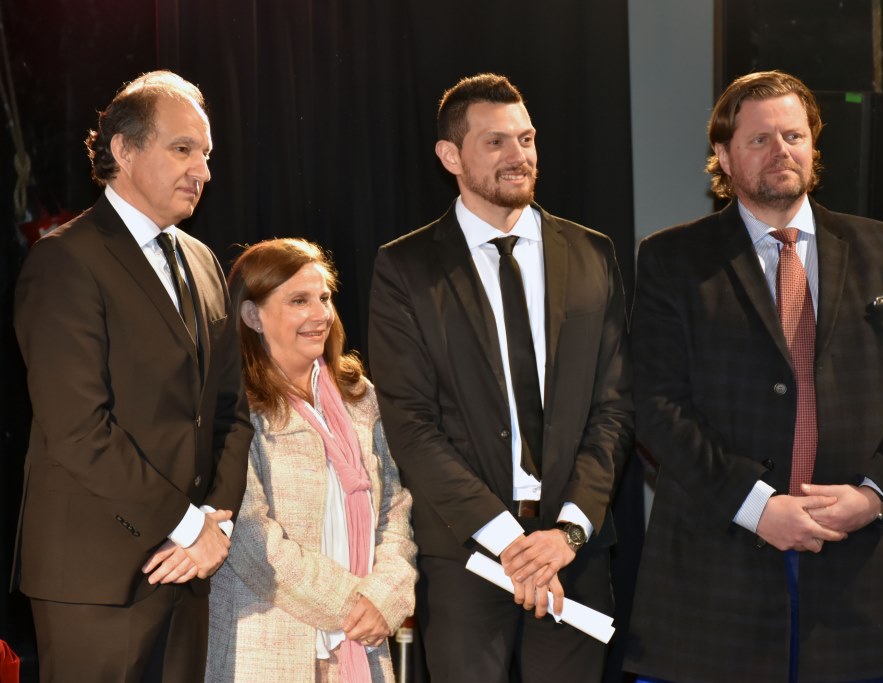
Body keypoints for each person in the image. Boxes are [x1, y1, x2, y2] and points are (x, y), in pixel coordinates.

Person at [625, 70, 883, 683]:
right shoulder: (672, 259)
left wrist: (873, 495)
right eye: (760, 140)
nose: (782, 151)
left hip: (860, 570)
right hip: (719, 570)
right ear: (722, 155)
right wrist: (756, 506)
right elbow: (655, 405)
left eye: (795, 136)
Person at [368, 73, 633, 681]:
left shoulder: (593, 254)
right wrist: (508, 539)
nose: (519, 156)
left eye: (527, 138)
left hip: (574, 548)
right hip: (467, 552)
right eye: (496, 143)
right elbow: (410, 423)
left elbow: (615, 407)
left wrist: (566, 532)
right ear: (450, 156)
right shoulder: (405, 267)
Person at [13, 70, 253, 682]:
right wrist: (185, 523)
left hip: (189, 569)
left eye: (206, 154)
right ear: (123, 150)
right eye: (183, 150)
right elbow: (78, 429)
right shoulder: (64, 260)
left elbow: (229, 409)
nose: (202, 170)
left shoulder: (201, 259)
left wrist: (215, 521)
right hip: (95, 581)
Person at [205, 238, 416, 682]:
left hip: (361, 646)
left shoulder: (360, 395)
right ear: (252, 315)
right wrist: (355, 604)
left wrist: (387, 596)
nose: (320, 314)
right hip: (267, 645)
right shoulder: (234, 403)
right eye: (299, 301)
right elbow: (249, 537)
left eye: (324, 298)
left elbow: (395, 508)